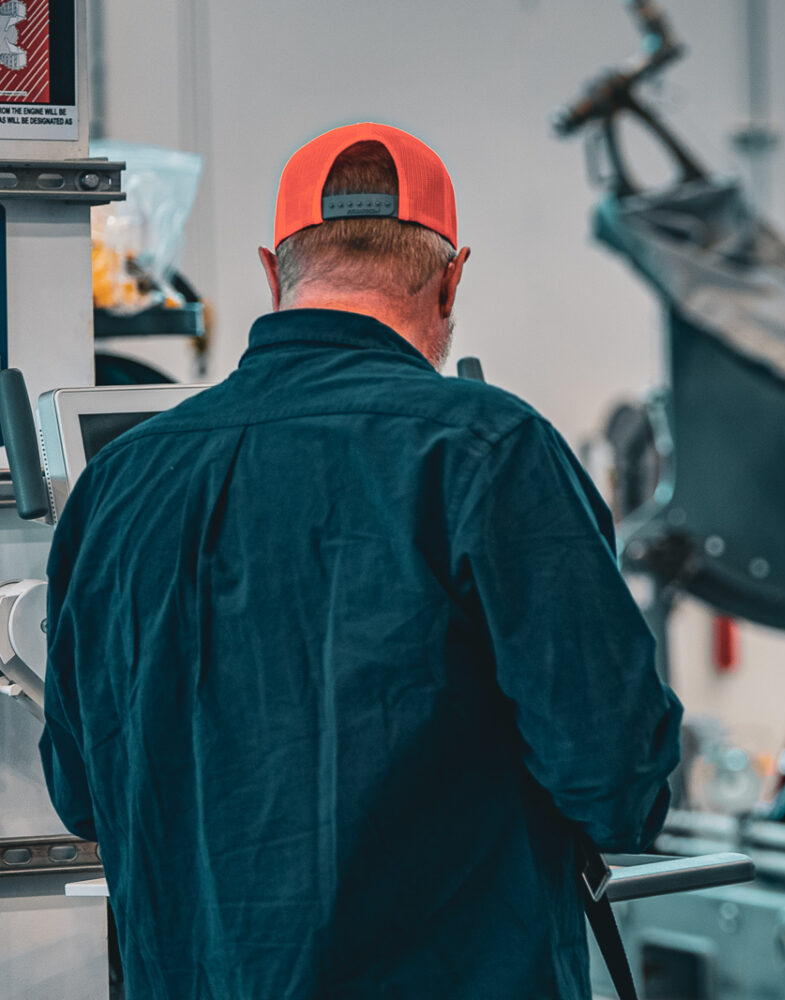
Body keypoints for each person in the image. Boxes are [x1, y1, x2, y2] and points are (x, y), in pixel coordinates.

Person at [38, 123, 682, 999]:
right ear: (453, 278)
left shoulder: (118, 483)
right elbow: (615, 781)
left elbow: (83, 795)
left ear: (274, 272)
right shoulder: (492, 452)